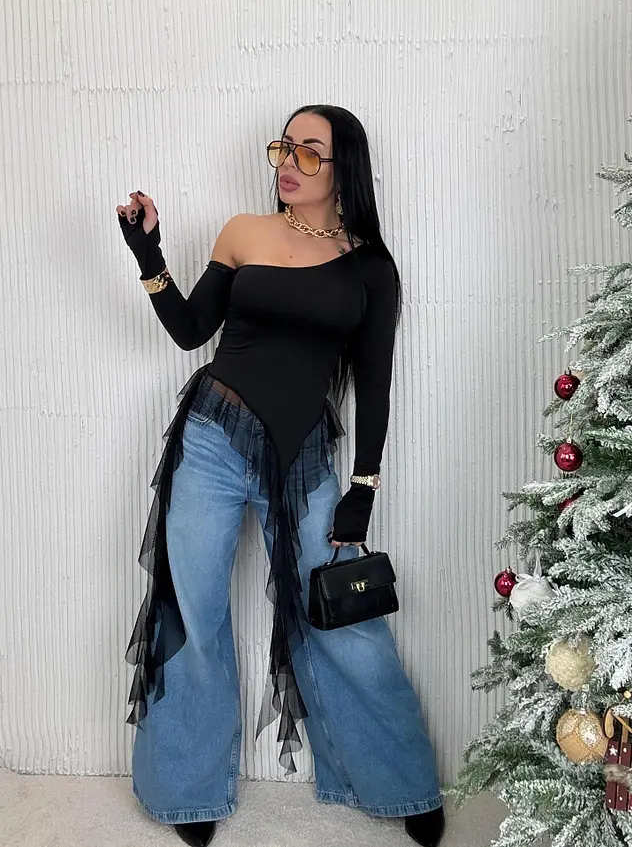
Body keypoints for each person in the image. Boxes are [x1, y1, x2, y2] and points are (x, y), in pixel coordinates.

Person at [115, 105, 445, 847]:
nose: (289, 163)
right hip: (212, 439)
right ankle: (187, 792)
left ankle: (400, 782)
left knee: (341, 615)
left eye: (309, 151)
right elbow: (191, 331)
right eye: (283, 148)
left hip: (305, 457)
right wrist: (149, 255)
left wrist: (363, 487)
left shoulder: (370, 267)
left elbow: (375, 384)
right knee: (193, 611)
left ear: (343, 167)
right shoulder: (243, 231)